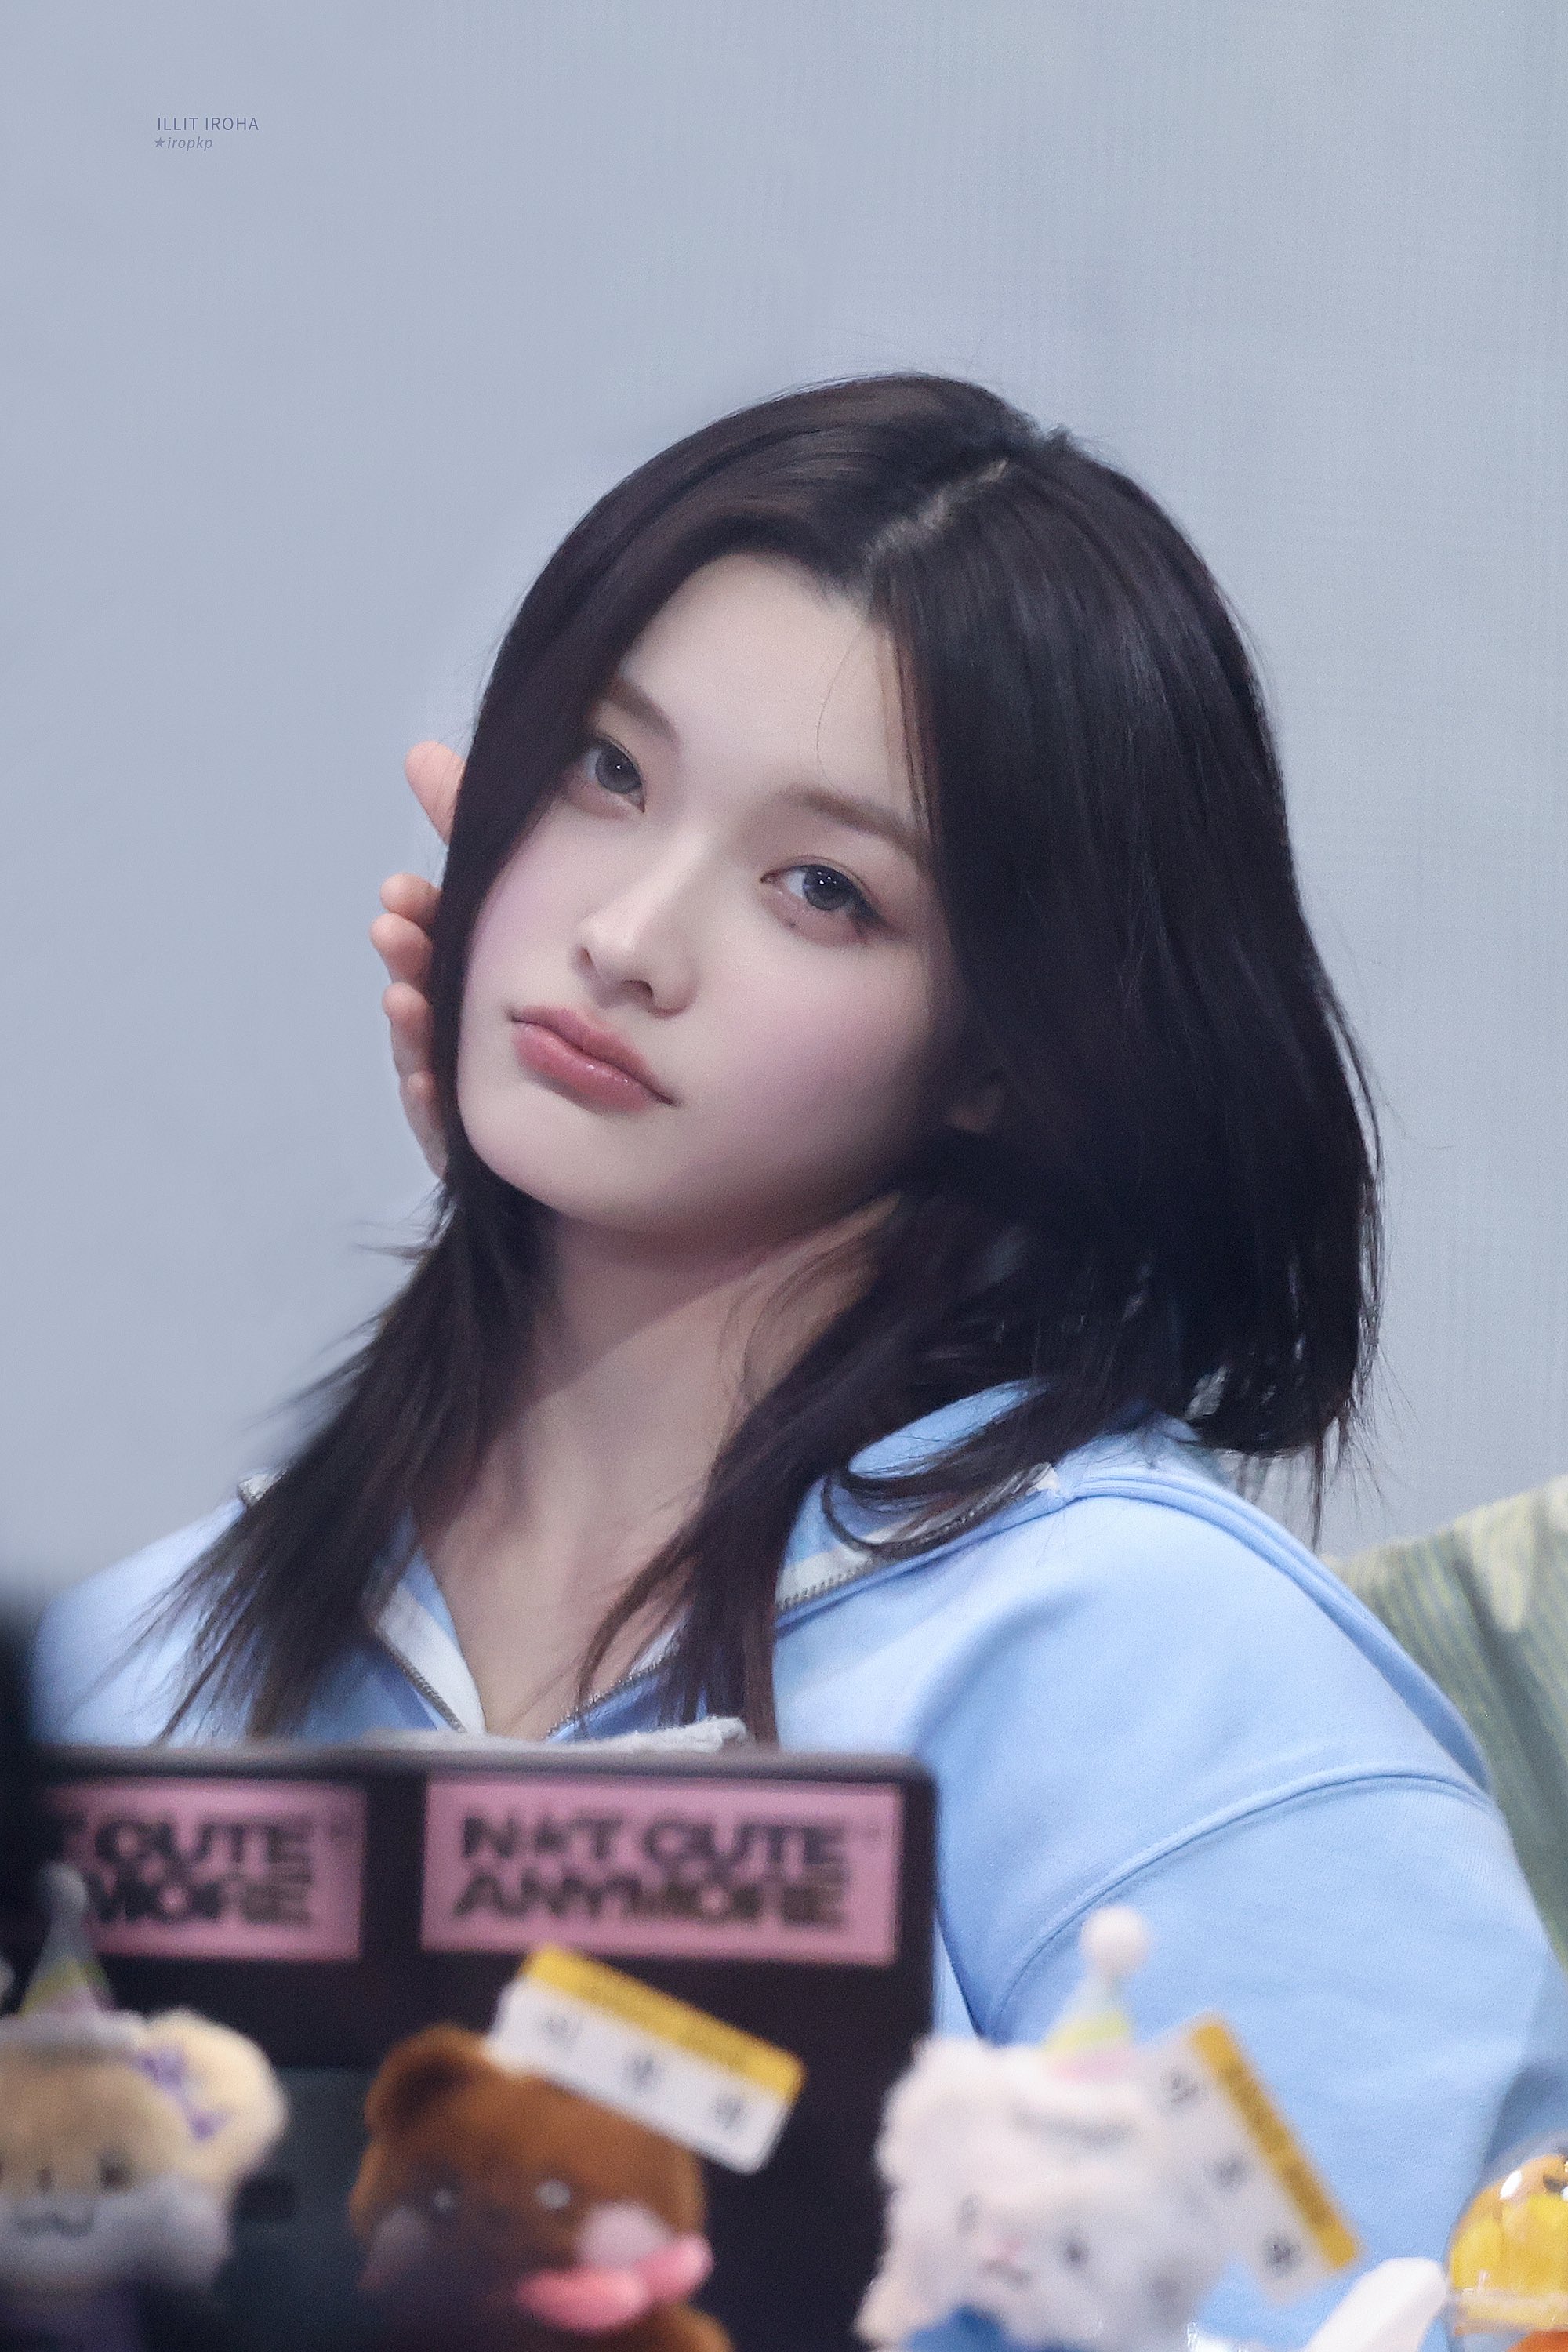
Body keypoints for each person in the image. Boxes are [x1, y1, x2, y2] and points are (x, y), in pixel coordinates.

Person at [32, 376, 1568, 2345]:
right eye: (604, 772)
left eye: (821, 890)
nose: (627, 937)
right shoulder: (129, 1671)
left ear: (1008, 1051)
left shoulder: (1163, 1683)